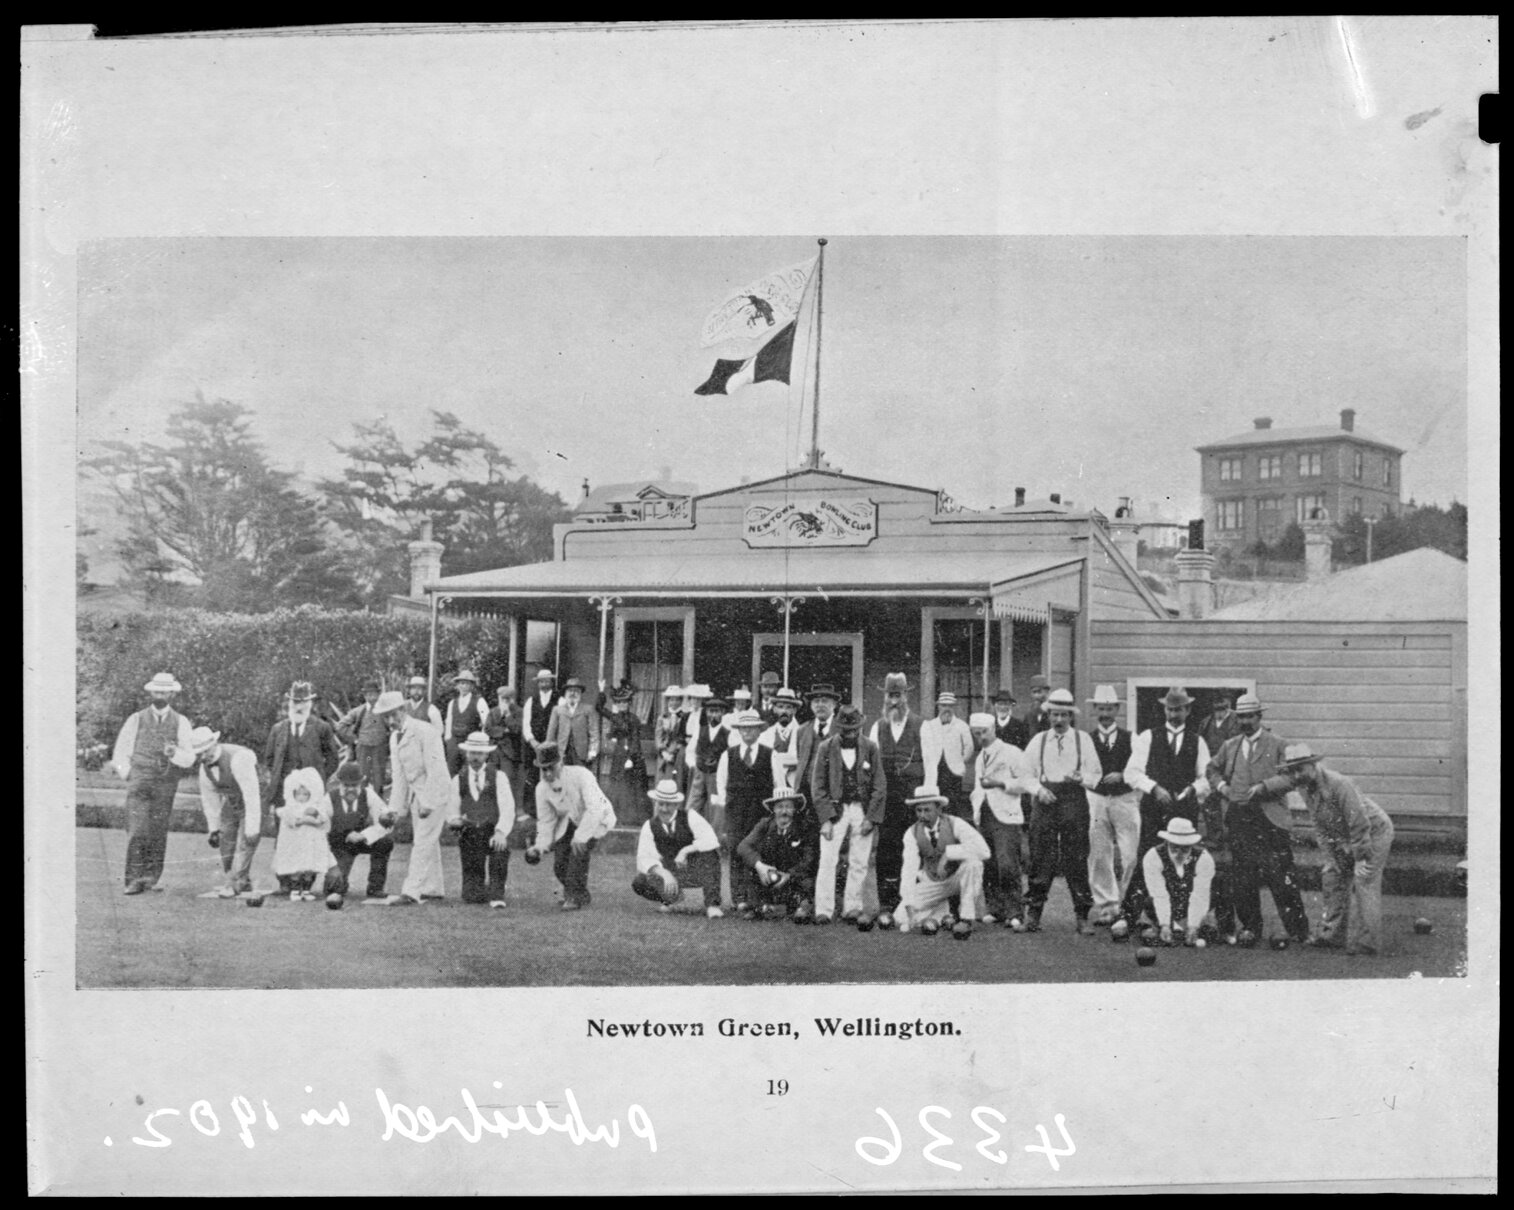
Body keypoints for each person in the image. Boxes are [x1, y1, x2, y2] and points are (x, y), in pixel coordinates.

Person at [1204, 692, 1310, 946]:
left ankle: (1298, 930)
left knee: (1281, 876)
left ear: (1259, 716)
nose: (1245, 721)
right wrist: (1223, 789)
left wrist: (1264, 787)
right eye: (1241, 717)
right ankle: (1251, 927)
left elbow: (1293, 776)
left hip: (1270, 819)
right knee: (1243, 878)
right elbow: (1211, 769)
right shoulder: (1230, 746)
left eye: (1250, 716)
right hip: (1239, 818)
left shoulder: (1278, 744)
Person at [1281, 744, 1395, 956]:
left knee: (1364, 879)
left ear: (1313, 765)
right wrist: (1331, 856)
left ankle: (1367, 943)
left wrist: (1360, 857)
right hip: (1343, 836)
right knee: (1332, 876)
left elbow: (1359, 822)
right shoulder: (1305, 786)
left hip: (1374, 832)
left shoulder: (1339, 783)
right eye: (1292, 771)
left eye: (1301, 769)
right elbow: (1319, 824)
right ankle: (1332, 936)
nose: (1296, 775)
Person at [1121, 686, 1212, 931]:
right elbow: (1131, 773)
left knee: (1181, 863)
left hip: (1184, 813)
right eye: (1170, 709)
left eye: (1179, 710)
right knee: (1146, 857)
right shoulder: (1148, 737)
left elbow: (1207, 778)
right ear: (1164, 709)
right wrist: (1154, 788)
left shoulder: (1198, 741)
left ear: (1188, 710)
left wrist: (1193, 789)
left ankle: (1177, 920)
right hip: (1154, 810)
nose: (1174, 714)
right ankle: (1128, 916)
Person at [1021, 689, 1104, 935]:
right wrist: (1038, 790)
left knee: (1076, 856)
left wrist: (1083, 778)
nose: (1059, 721)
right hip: (1045, 800)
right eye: (1054, 715)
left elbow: (1096, 775)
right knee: (1040, 856)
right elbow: (1025, 774)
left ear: (1071, 716)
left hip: (1073, 800)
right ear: (1048, 715)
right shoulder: (1039, 741)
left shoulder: (1083, 740)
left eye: (1063, 716)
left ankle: (1082, 916)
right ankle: (1034, 914)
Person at [868, 673, 942, 929]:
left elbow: (931, 764)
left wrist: (928, 799)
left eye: (898, 695)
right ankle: (887, 906)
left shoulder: (922, 725)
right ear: (885, 697)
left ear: (906, 697)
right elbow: (873, 767)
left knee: (916, 849)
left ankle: (916, 903)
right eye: (890, 695)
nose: (894, 701)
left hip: (914, 798)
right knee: (887, 851)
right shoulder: (878, 727)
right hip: (888, 799)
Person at [373, 689, 458, 906]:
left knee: (422, 842)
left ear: (403, 710)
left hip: (435, 792)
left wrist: (428, 803)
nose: (390, 720)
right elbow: (400, 777)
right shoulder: (394, 738)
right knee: (427, 841)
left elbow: (437, 769)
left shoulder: (425, 731)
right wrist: (394, 810)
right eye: (386, 716)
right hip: (415, 797)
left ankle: (411, 892)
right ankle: (433, 888)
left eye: (394, 714)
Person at [112, 674, 196, 890]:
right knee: (137, 830)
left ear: (172, 694)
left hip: (165, 783)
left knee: (158, 831)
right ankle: (133, 879)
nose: (160, 695)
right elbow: (120, 753)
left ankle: (151, 878)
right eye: (157, 691)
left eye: (164, 692)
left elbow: (189, 758)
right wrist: (129, 774)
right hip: (140, 781)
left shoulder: (181, 722)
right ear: (150, 693)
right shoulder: (136, 719)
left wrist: (174, 752)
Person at [263, 681, 345, 893]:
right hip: (284, 793)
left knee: (311, 836)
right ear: (289, 702)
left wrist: (318, 782)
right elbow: (270, 759)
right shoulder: (278, 729)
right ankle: (285, 883)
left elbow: (333, 759)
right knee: (284, 837)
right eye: (295, 701)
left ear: (310, 703)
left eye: (303, 702)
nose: (299, 706)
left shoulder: (321, 728)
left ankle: (305, 884)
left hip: (311, 795)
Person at [810, 704, 887, 927]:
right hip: (835, 809)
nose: (850, 734)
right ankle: (823, 909)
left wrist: (871, 818)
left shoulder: (871, 748)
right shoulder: (826, 747)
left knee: (860, 860)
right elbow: (818, 785)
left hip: (861, 809)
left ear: (860, 728)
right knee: (827, 859)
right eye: (845, 730)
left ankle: (852, 907)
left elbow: (879, 785)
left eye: (854, 730)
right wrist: (825, 819)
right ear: (838, 728)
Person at [526, 742, 617, 911]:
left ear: (561, 762)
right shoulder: (541, 789)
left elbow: (595, 809)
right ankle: (580, 893)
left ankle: (574, 898)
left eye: (550, 768)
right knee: (559, 864)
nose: (547, 773)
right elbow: (546, 821)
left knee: (578, 854)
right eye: (543, 769)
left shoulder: (583, 775)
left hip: (596, 819)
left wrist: (581, 836)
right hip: (569, 822)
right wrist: (540, 846)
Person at [968, 713, 1036, 929]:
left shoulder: (1011, 752)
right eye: (977, 733)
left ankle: (1015, 911)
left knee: (1008, 864)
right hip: (985, 814)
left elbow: (1026, 782)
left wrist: (999, 783)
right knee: (989, 863)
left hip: (1006, 815)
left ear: (994, 729)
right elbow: (978, 787)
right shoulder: (980, 757)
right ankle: (995, 908)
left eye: (985, 732)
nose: (982, 737)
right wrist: (976, 804)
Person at [896, 786, 990, 939]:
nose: (922, 815)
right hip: (933, 883)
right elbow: (908, 869)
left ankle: (967, 918)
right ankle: (945, 914)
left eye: (927, 810)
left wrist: (949, 853)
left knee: (974, 864)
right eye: (919, 810)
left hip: (957, 879)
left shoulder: (955, 823)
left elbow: (984, 851)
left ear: (939, 809)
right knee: (901, 917)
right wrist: (908, 904)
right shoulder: (911, 832)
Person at [1084, 684, 1140, 926]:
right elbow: (1083, 771)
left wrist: (1123, 776)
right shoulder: (1087, 739)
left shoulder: (1132, 738)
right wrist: (1094, 781)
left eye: (1109, 708)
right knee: (1098, 853)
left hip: (1124, 800)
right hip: (1097, 799)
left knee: (1130, 854)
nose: (1105, 713)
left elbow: (1140, 768)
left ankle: (1128, 908)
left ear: (1117, 709)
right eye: (1101, 708)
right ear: (1095, 709)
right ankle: (1108, 906)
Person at [712, 708, 775, 917]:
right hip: (736, 811)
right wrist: (727, 805)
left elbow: (778, 784)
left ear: (759, 731)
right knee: (736, 850)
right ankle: (739, 898)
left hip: (760, 812)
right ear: (739, 731)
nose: (748, 733)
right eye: (744, 729)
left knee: (760, 851)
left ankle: (760, 897)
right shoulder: (728, 755)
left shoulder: (769, 754)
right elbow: (721, 783)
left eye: (752, 729)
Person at [189, 726, 264, 900]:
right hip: (231, 801)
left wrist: (252, 828)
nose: (201, 757)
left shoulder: (239, 758)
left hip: (253, 799)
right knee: (225, 839)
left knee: (247, 842)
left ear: (214, 745)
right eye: (197, 754)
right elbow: (210, 800)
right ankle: (235, 878)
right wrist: (213, 829)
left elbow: (251, 795)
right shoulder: (204, 769)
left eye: (204, 752)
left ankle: (236, 882)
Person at [632, 778, 723, 918]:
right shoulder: (649, 826)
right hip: (671, 871)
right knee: (640, 881)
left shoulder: (690, 816)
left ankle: (712, 905)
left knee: (710, 855)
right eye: (660, 804)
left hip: (695, 869)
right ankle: (670, 898)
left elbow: (711, 841)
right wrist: (664, 873)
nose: (664, 809)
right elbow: (644, 858)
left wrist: (685, 851)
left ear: (676, 804)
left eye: (668, 805)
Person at [446, 731, 514, 908]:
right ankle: (478, 887)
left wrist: (500, 832)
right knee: (471, 897)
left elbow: (508, 808)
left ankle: (497, 891)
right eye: (472, 753)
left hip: (492, 831)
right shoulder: (458, 780)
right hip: (470, 834)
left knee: (499, 849)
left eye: (479, 753)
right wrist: (455, 821)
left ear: (486, 754)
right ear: (466, 753)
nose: (475, 757)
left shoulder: (499, 777)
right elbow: (452, 809)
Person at [736, 788, 819, 922]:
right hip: (770, 874)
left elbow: (809, 859)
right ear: (773, 809)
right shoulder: (765, 824)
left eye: (788, 807)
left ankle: (802, 907)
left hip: (794, 876)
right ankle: (758, 906)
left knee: (807, 881)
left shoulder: (804, 826)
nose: (784, 811)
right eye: (780, 807)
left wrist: (789, 875)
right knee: (750, 865)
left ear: (795, 809)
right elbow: (743, 846)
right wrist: (760, 866)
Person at [320, 760, 396, 904]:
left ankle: (375, 887)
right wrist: (332, 864)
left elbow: (386, 823)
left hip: (362, 840)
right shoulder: (329, 799)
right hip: (340, 844)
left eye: (354, 785)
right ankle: (340, 882)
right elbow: (323, 834)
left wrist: (364, 835)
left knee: (385, 842)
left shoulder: (369, 795)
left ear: (361, 782)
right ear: (339, 782)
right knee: (333, 890)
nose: (350, 789)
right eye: (346, 785)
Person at [1141, 817, 1216, 946]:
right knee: (1147, 897)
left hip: (1189, 902)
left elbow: (1200, 895)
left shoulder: (1204, 857)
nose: (1179, 853)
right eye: (1175, 847)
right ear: (1167, 842)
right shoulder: (1153, 856)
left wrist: (1193, 926)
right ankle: (1154, 925)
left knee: (1218, 887)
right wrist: (1164, 924)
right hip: (1165, 900)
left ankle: (1201, 924)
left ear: (1192, 845)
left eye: (1185, 848)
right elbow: (1159, 894)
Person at [272, 767, 337, 900]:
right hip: (296, 841)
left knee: (309, 867)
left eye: (305, 794)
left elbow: (323, 820)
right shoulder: (290, 807)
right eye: (299, 794)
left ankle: (306, 890)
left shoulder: (316, 807)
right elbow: (288, 820)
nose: (302, 798)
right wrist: (302, 820)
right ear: (294, 794)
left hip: (310, 842)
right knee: (296, 867)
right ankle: (295, 890)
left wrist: (313, 819)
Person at [596, 681, 649, 826]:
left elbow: (635, 739)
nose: (622, 705)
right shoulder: (615, 717)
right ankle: (618, 816)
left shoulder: (634, 719)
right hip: (619, 755)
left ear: (629, 703)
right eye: (619, 703)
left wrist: (631, 757)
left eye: (624, 702)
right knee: (618, 783)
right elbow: (599, 708)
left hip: (633, 756)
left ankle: (633, 818)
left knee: (632, 785)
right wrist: (602, 691)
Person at [921, 692, 975, 821]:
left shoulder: (962, 726)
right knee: (935, 803)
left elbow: (969, 747)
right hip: (935, 771)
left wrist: (960, 761)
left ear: (954, 707)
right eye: (944, 705)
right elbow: (925, 749)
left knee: (953, 805)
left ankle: (952, 832)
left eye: (950, 706)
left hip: (954, 772)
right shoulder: (930, 725)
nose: (947, 709)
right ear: (938, 707)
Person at [684, 694, 730, 823]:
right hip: (700, 773)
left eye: (717, 712)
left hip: (716, 775)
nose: (713, 715)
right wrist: (694, 765)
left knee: (714, 806)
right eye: (711, 711)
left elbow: (730, 755)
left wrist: (721, 768)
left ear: (722, 713)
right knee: (692, 805)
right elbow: (690, 750)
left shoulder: (728, 733)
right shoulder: (700, 730)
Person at [336, 680, 389, 791]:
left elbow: (393, 725)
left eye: (374, 694)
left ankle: (379, 804)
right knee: (363, 777)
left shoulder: (385, 710)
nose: (372, 698)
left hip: (379, 749)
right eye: (369, 694)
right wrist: (355, 739)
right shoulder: (359, 711)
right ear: (365, 696)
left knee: (379, 779)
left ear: (378, 694)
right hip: (364, 749)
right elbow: (341, 726)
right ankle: (362, 803)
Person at [791, 683, 840, 802]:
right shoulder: (802, 730)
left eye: (825, 701)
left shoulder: (842, 730)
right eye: (816, 701)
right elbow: (800, 759)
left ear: (834, 704)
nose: (820, 705)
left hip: (831, 796)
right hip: (806, 794)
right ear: (811, 705)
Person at [521, 668, 561, 805]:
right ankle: (532, 810)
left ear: (551, 682)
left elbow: (562, 725)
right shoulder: (531, 701)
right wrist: (533, 742)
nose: (544, 683)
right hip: (534, 746)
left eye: (546, 680)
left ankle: (552, 806)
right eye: (541, 681)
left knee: (552, 776)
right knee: (532, 777)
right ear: (538, 683)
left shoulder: (560, 700)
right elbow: (526, 724)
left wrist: (550, 743)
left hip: (552, 746)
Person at [442, 670, 489, 776]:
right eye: (461, 683)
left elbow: (486, 722)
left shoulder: (479, 701)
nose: (463, 686)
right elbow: (449, 722)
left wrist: (480, 741)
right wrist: (448, 740)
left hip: (470, 743)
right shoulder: (452, 703)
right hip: (454, 743)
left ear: (471, 686)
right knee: (452, 772)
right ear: (457, 685)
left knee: (470, 773)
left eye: (467, 683)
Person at [545, 676, 599, 769]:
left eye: (576, 691)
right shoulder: (557, 710)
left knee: (580, 780)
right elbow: (551, 734)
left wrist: (593, 751)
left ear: (580, 694)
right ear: (565, 693)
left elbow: (594, 732)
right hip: (561, 752)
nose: (573, 693)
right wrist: (550, 752)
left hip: (581, 753)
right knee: (562, 779)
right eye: (570, 690)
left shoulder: (588, 709)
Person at [485, 683, 525, 803]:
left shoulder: (518, 711)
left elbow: (517, 729)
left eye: (507, 698)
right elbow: (487, 729)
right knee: (491, 779)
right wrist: (504, 731)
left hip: (509, 752)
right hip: (493, 751)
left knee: (507, 780)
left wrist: (508, 716)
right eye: (502, 698)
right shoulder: (493, 711)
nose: (505, 701)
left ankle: (508, 808)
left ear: (512, 699)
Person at [759, 686, 804, 789]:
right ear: (774, 709)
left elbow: (800, 759)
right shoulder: (765, 735)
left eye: (788, 707)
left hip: (796, 784)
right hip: (772, 785)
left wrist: (777, 759)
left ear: (795, 710)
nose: (784, 711)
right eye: (780, 707)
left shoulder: (803, 733)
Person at [654, 684, 686, 779]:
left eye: (677, 700)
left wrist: (673, 752)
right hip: (663, 753)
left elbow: (682, 737)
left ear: (681, 701)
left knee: (675, 777)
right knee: (661, 776)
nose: (674, 703)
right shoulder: (662, 717)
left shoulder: (684, 717)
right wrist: (663, 751)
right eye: (671, 700)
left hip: (677, 753)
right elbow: (658, 735)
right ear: (668, 701)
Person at [1198, 691, 1243, 758]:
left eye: (1222, 709)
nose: (1219, 713)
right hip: (1210, 759)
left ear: (1228, 706)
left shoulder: (1237, 721)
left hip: (1230, 758)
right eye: (1216, 709)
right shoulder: (1205, 722)